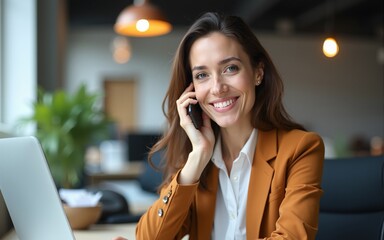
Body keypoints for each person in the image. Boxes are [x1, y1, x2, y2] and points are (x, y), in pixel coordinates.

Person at [115, 11, 324, 240]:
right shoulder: (195, 159)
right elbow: (149, 238)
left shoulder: (301, 149)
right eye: (202, 75)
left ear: (258, 72)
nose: (217, 88)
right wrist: (198, 157)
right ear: (191, 89)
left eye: (230, 68)